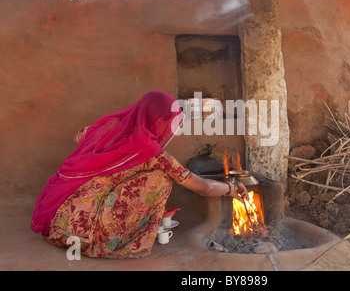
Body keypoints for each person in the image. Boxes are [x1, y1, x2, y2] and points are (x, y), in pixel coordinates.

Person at [31, 91, 249, 259]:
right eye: (169, 121)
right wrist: (231, 188)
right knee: (160, 179)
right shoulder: (151, 153)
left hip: (58, 224)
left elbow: (81, 135)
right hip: (85, 238)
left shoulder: (110, 127)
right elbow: (205, 187)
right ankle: (110, 240)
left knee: (120, 179)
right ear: (158, 120)